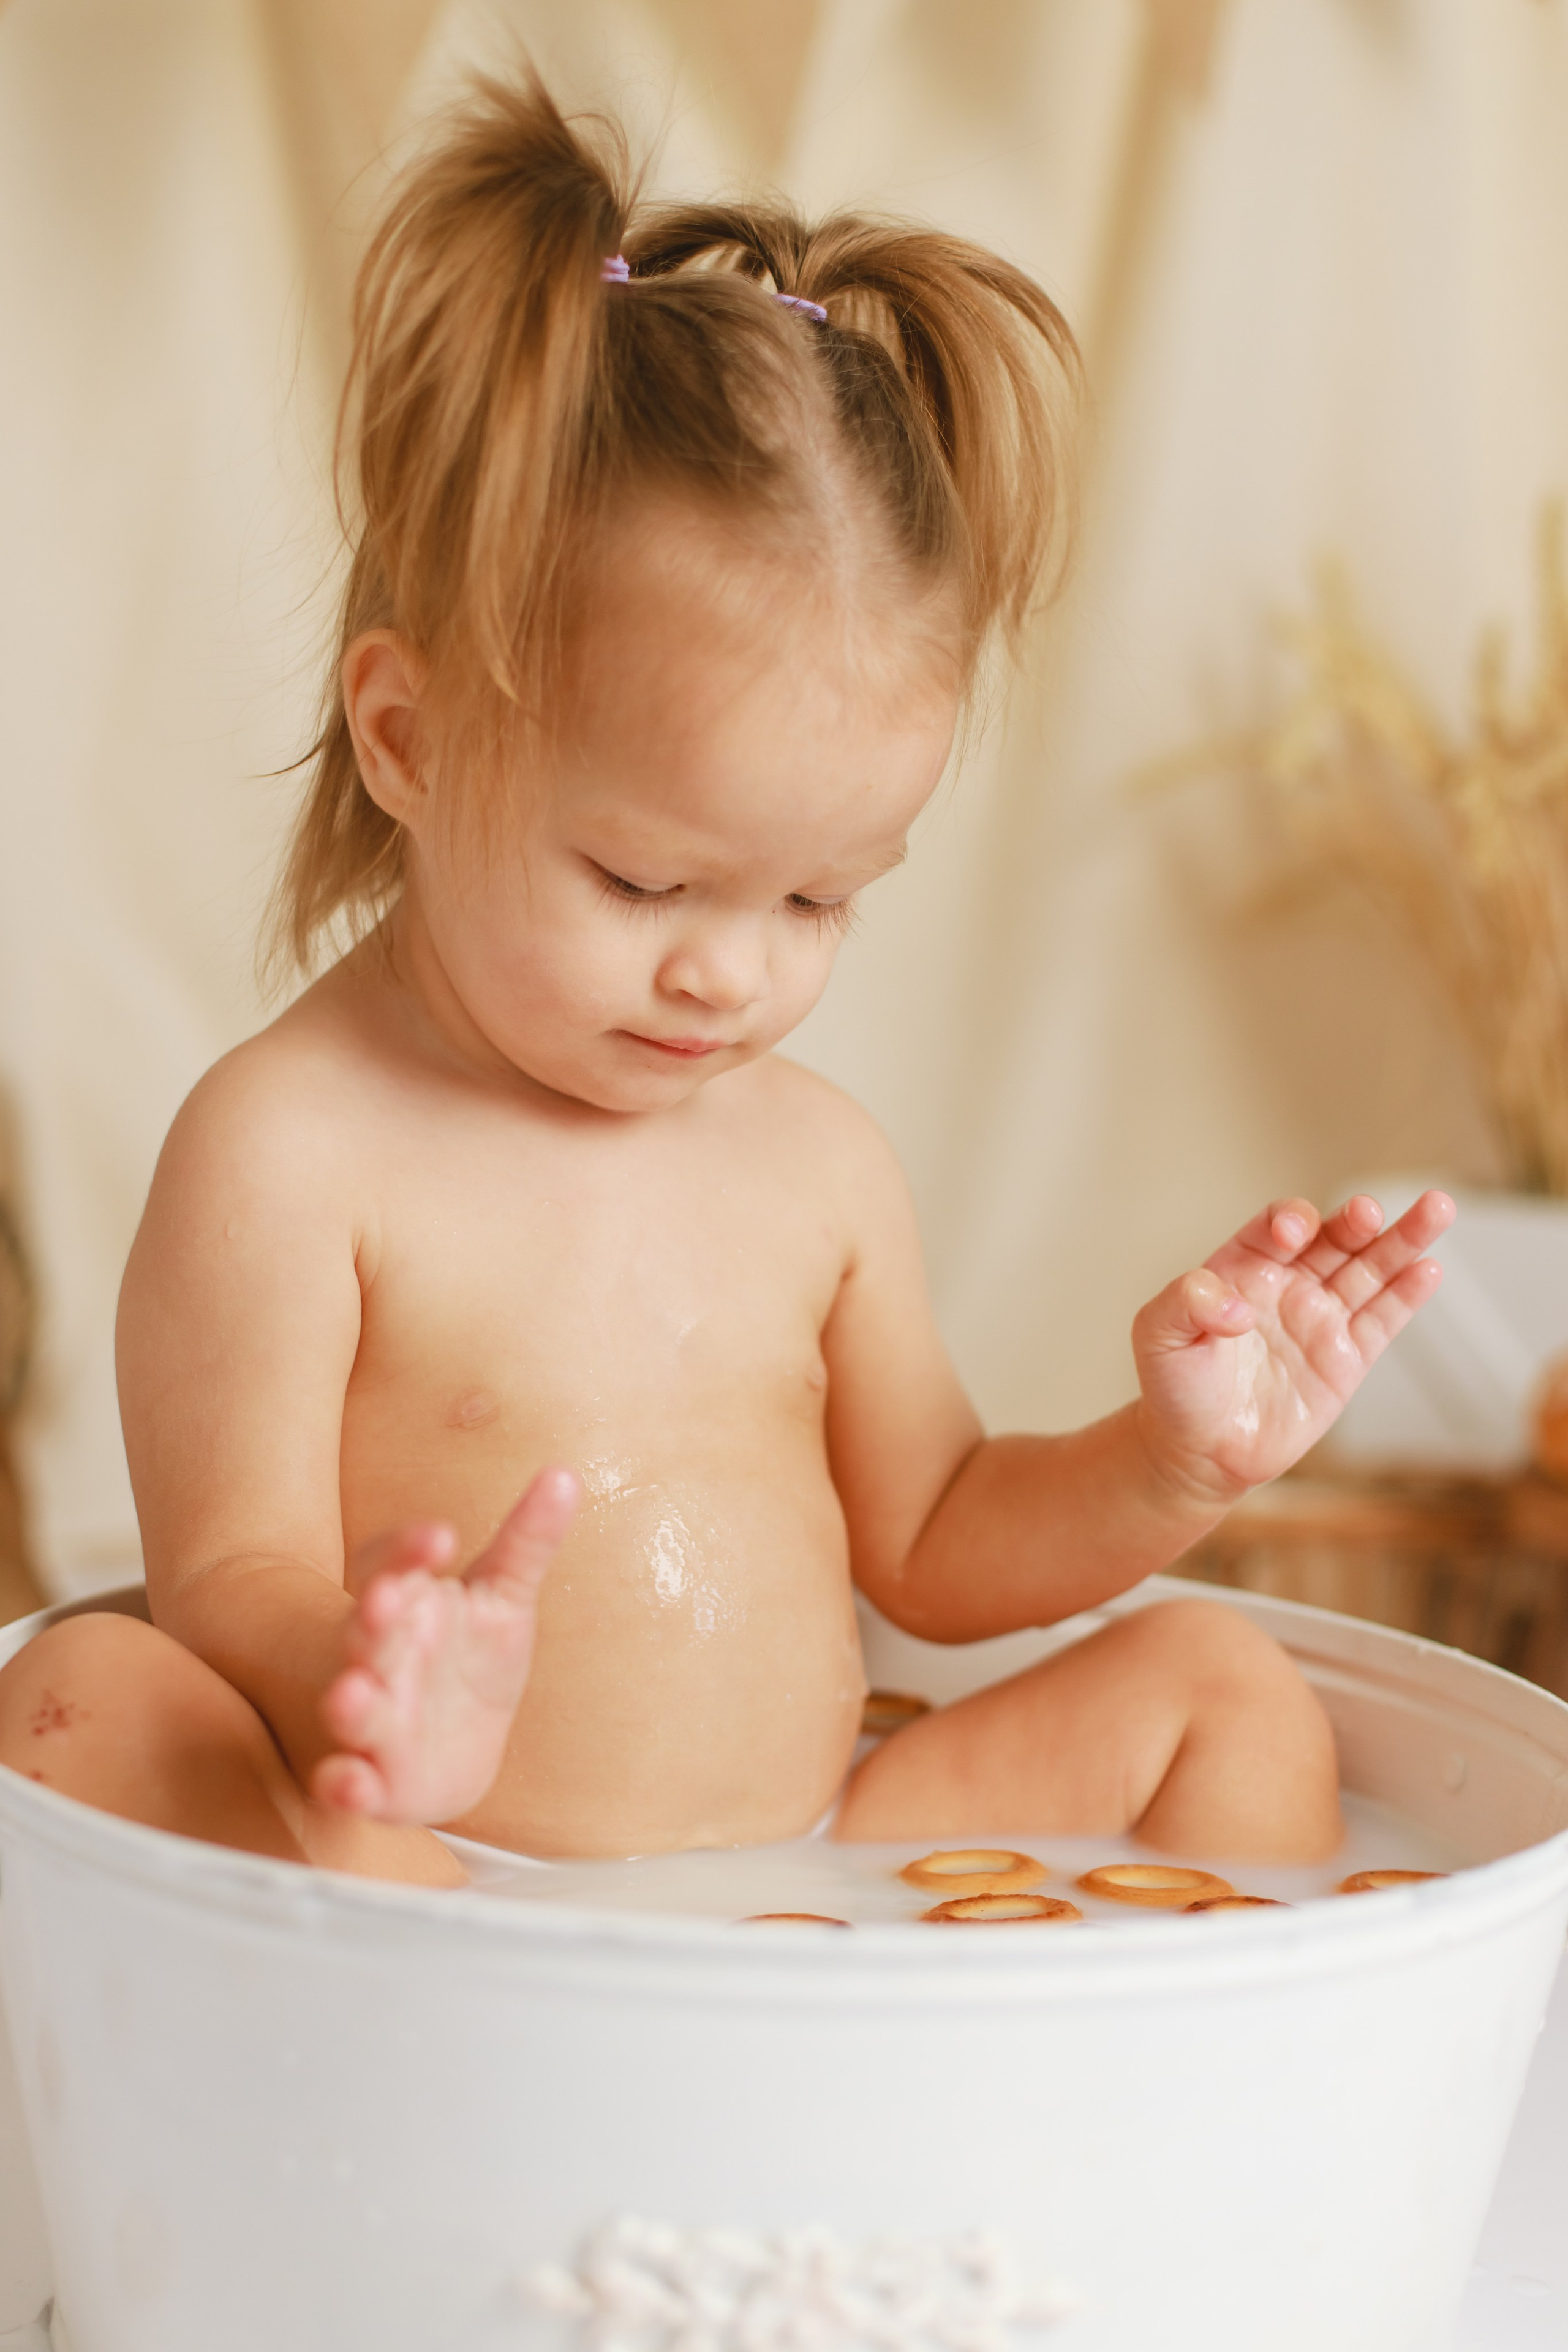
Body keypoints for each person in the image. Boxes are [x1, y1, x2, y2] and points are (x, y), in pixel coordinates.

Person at [0, 76, 1452, 1882]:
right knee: (77, 1698)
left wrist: (1174, 1462)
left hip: (826, 1859)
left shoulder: (815, 1167)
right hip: (449, 1882)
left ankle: (1156, 2124)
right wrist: (369, 1689)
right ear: (408, 737)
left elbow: (927, 1536)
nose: (727, 977)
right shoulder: (289, 1153)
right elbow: (231, 1577)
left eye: (820, 901)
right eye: (643, 878)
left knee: (1227, 1687)